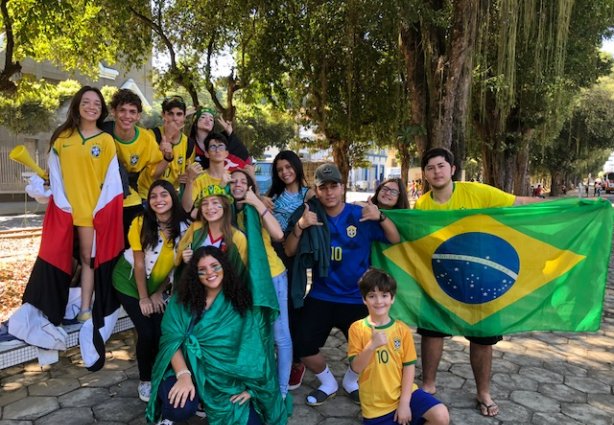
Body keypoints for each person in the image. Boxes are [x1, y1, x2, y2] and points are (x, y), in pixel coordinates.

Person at [415, 147, 541, 417]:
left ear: (452, 169)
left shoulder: (478, 192)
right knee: (431, 330)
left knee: (482, 337)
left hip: (481, 278)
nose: (436, 171)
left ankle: (483, 392)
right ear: (425, 174)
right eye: (430, 168)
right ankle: (428, 385)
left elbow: (517, 203)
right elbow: (414, 238)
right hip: (439, 278)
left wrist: (561, 206)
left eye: (441, 166)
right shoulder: (422, 204)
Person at [9, 86, 124, 372]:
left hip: (90, 213)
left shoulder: (107, 141)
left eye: (96, 103)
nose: (91, 106)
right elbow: (54, 175)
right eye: (86, 102)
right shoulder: (62, 139)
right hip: (63, 211)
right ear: (77, 106)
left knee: (87, 261)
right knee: (55, 259)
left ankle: (85, 309)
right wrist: (47, 187)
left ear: (102, 109)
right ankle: (49, 309)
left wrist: (102, 211)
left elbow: (111, 182)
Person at [284, 163, 400, 406]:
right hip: (321, 295)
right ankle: (328, 383)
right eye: (323, 187)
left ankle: (350, 381)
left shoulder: (361, 214)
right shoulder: (310, 216)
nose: (329, 193)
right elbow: (290, 250)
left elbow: (394, 238)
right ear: (316, 190)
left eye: (334, 186)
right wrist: (301, 225)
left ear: (342, 186)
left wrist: (380, 215)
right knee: (303, 345)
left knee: (371, 349)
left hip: (356, 298)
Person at [145, 246, 287, 425]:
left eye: (214, 266)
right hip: (185, 367)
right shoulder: (182, 299)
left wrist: (251, 390)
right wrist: (183, 375)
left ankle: (204, 401)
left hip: (226, 379)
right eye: (202, 270)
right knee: (178, 408)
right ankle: (170, 415)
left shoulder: (240, 301)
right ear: (195, 274)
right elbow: (171, 341)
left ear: (224, 267)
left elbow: (256, 350)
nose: (209, 273)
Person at [112, 180, 188, 403]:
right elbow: (138, 264)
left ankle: (162, 373)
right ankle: (145, 380)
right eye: (153, 196)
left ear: (172, 198)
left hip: (155, 286)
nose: (158, 200)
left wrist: (158, 293)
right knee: (146, 332)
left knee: (161, 329)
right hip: (127, 281)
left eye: (164, 194)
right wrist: (144, 298)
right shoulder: (139, 222)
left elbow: (175, 267)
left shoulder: (184, 227)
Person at [348, 268, 449, 425]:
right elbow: (356, 368)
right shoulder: (357, 328)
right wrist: (371, 345)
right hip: (376, 406)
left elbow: (409, 367)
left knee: (441, 415)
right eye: (372, 296)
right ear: (364, 299)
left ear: (392, 298)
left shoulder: (401, 330)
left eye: (384, 295)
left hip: (405, 394)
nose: (379, 301)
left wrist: (404, 404)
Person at [230, 169, 292, 399]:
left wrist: (256, 202)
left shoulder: (257, 206)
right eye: (232, 181)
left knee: (280, 335)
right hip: (242, 280)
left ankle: (282, 391)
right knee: (251, 334)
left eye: (242, 181)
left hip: (271, 277)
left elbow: (278, 235)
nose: (237, 184)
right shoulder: (224, 209)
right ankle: (256, 384)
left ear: (250, 186)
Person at [261, 150, 313, 390]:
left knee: (293, 305)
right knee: (274, 309)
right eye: (280, 169)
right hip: (272, 254)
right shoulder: (271, 195)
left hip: (295, 255)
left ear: (296, 167)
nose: (285, 172)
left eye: (288, 167)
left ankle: (296, 361)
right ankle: (276, 355)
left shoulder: (308, 194)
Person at [104, 88, 173, 246]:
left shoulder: (146, 139)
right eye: (122, 110)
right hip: (101, 198)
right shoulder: (102, 132)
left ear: (138, 116)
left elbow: (155, 172)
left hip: (129, 197)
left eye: (132, 111)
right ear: (113, 111)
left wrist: (168, 157)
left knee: (133, 243)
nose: (127, 116)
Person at [177, 184, 246, 267]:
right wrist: (184, 259)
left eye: (215, 202)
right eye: (205, 203)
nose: (209, 207)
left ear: (225, 206)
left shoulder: (238, 237)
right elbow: (178, 260)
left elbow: (242, 272)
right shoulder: (194, 228)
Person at [142, 95, 194, 193]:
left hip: (172, 195)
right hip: (148, 194)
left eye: (179, 114)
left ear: (184, 117)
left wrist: (185, 176)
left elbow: (187, 171)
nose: (175, 118)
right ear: (163, 114)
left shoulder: (189, 143)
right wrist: (168, 137)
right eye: (170, 114)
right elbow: (154, 175)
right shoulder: (151, 136)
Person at [181, 133, 233, 214]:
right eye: (213, 147)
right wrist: (190, 180)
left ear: (226, 153)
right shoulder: (199, 179)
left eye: (221, 146)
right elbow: (186, 208)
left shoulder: (233, 176)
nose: (217, 150)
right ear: (207, 154)